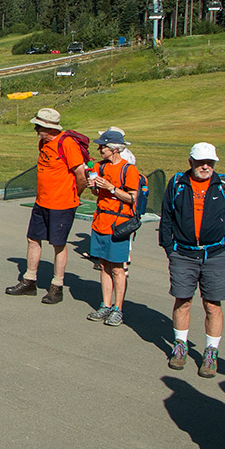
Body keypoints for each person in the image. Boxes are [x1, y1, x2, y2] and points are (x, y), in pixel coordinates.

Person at [158, 142, 225, 378]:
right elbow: (167, 216)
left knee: (213, 305)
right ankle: (180, 346)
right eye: (201, 162)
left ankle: (211, 352)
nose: (206, 167)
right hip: (183, 254)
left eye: (210, 163)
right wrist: (169, 247)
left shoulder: (223, 184)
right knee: (182, 301)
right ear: (191, 162)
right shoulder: (177, 183)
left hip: (215, 254)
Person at [4, 108, 85, 304]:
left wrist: (74, 195)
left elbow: (81, 175)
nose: (35, 129)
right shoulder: (43, 143)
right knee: (33, 239)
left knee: (58, 244)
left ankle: (57, 287)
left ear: (49, 128)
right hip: (42, 201)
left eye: (38, 126)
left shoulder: (67, 144)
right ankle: (29, 280)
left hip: (62, 204)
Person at [84, 128, 142, 325]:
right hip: (100, 222)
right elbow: (95, 193)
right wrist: (93, 186)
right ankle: (105, 305)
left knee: (118, 268)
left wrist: (111, 188)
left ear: (115, 149)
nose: (100, 150)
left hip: (118, 225)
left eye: (103, 147)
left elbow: (132, 198)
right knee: (104, 266)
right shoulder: (99, 167)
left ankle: (118, 308)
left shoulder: (129, 170)